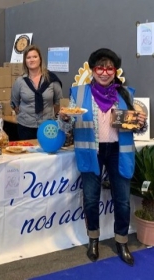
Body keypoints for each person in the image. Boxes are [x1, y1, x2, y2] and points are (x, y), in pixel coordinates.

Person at [60, 48, 147, 266]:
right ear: (92, 70)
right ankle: (93, 238)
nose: (105, 72)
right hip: (92, 152)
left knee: (122, 201)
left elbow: (135, 128)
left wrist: (141, 121)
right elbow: (68, 125)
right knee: (90, 199)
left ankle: (121, 241)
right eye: (100, 67)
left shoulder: (125, 94)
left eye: (109, 68)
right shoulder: (79, 94)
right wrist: (62, 117)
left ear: (115, 71)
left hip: (118, 151)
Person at [10, 45, 63, 140]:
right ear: (25, 61)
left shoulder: (51, 79)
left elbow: (58, 102)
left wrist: (49, 115)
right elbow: (15, 104)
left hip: (47, 126)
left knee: (47, 153)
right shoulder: (20, 81)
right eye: (28, 57)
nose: (32, 60)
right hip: (25, 127)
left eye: (35, 57)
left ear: (40, 59)